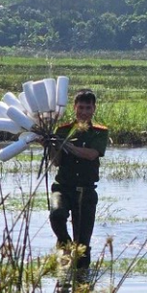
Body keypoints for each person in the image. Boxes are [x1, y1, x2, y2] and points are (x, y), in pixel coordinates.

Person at [49, 89, 108, 271]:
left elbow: (91, 154)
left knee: (83, 246)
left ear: (93, 109)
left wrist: (66, 145)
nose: (83, 111)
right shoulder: (62, 130)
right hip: (63, 187)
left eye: (87, 108)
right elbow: (56, 161)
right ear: (74, 108)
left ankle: (83, 284)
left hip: (86, 192)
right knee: (56, 215)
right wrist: (51, 145)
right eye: (80, 107)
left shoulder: (99, 132)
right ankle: (66, 247)